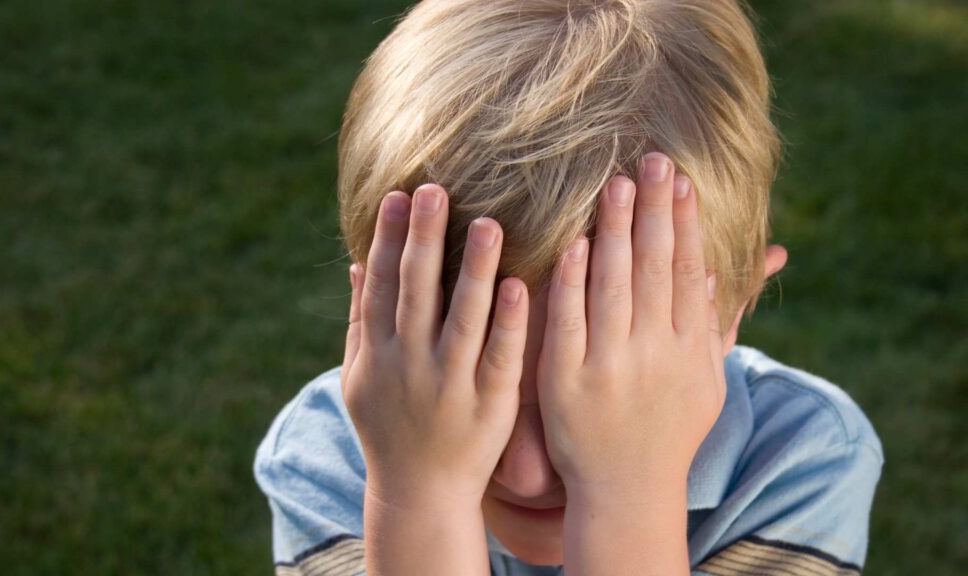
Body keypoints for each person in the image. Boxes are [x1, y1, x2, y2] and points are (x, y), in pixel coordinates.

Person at [254, 0, 884, 574]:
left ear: (738, 303)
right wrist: (417, 496)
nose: (526, 476)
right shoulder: (329, 459)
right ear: (379, 308)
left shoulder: (801, 462)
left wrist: (629, 492)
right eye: (472, 384)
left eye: (590, 402)